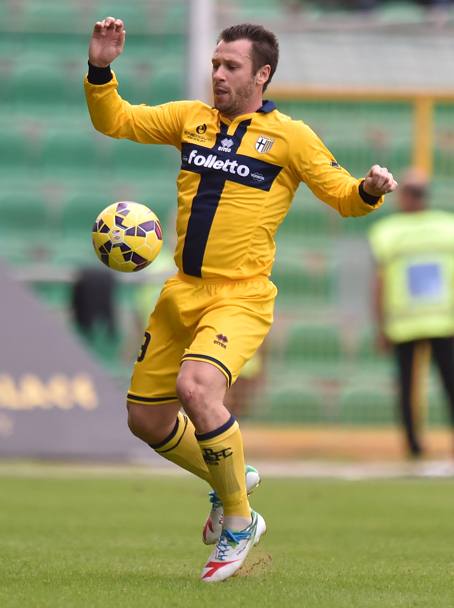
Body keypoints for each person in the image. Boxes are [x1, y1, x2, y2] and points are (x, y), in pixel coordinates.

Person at [85, 17, 397, 582]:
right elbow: (116, 120)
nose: (218, 75)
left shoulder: (291, 138)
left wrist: (369, 190)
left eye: (231, 66)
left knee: (197, 387)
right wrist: (101, 69)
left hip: (241, 296)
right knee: (145, 420)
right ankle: (229, 475)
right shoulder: (189, 120)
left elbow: (344, 197)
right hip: (181, 290)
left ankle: (238, 518)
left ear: (263, 74)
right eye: (215, 65)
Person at [369, 168, 454, 458]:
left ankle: (414, 447)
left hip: (408, 323)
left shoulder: (387, 231)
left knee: (409, 388)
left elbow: (378, 285)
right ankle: (414, 445)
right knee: (445, 385)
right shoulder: (447, 226)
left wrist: (380, 325)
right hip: (441, 321)